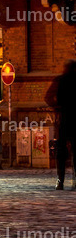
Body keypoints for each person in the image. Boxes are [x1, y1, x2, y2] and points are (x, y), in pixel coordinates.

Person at [44, 60, 76, 190]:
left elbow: (48, 97)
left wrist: (56, 107)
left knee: (61, 152)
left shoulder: (60, 80)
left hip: (64, 118)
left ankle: (60, 181)